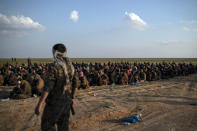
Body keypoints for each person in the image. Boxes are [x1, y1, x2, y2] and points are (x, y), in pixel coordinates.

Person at [35, 43, 77, 131]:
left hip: (55, 102)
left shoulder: (54, 66)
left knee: (47, 125)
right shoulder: (71, 66)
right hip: (67, 101)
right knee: (64, 126)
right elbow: (75, 84)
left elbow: (48, 87)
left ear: (55, 53)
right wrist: (72, 97)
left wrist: (40, 104)